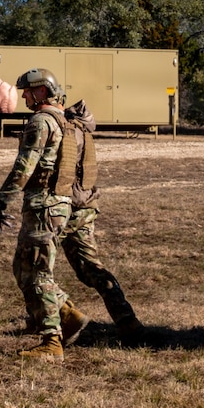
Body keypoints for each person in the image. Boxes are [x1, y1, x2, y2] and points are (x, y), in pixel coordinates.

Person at [0, 67, 80, 362]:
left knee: (37, 272)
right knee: (22, 267)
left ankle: (52, 342)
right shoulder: (63, 120)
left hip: (44, 205)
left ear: (42, 91)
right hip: (55, 203)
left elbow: (24, 167)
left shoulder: (41, 122)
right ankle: (67, 314)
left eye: (28, 91)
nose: (24, 96)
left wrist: (4, 199)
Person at [53, 100, 146, 346]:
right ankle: (127, 321)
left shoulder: (63, 128)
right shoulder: (82, 126)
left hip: (64, 207)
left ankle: (56, 319)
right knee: (92, 269)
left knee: (33, 268)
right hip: (84, 205)